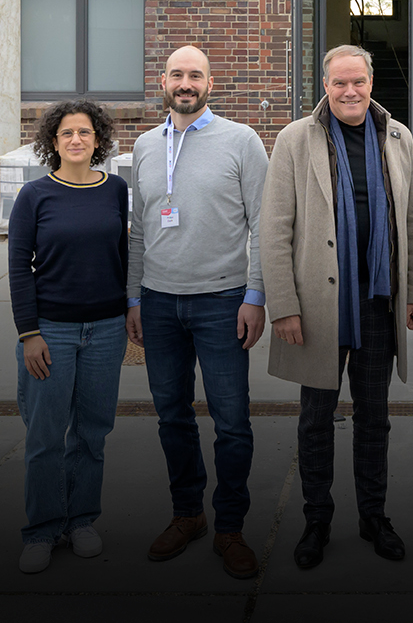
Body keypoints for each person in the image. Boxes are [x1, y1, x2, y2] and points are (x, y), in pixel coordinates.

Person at [261, 45, 413, 570]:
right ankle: (317, 520)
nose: (350, 91)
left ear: (372, 81)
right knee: (315, 418)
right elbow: (274, 228)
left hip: (379, 301)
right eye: (340, 83)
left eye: (358, 82)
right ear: (326, 85)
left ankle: (373, 517)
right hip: (317, 304)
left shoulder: (397, 136)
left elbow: (412, 220)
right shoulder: (295, 139)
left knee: (374, 416)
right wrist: (283, 305)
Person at [125, 45, 270, 580]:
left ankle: (230, 527)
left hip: (223, 301)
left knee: (232, 423)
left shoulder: (241, 141)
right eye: (177, 75)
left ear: (211, 82)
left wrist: (255, 296)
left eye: (196, 75)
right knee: (172, 418)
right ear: (163, 81)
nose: (186, 83)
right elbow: (139, 229)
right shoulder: (143, 145)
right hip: (159, 303)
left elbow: (265, 224)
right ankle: (188, 515)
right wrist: (134, 298)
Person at [7, 99, 130, 574]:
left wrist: (125, 317)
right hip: (50, 332)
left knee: (92, 434)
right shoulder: (35, 196)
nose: (76, 140)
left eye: (84, 132)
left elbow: (122, 255)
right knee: (44, 437)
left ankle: (81, 521)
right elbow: (19, 268)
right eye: (66, 134)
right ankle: (41, 529)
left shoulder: (115, 190)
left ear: (97, 140)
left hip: (105, 331)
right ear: (52, 143)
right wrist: (29, 333)